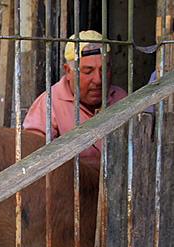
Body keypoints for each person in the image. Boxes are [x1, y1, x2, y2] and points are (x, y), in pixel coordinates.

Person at [23, 30, 128, 165]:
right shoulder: (48, 104)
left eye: (104, 69)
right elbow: (32, 159)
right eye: (88, 71)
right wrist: (87, 166)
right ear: (68, 71)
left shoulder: (121, 98)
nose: (98, 79)